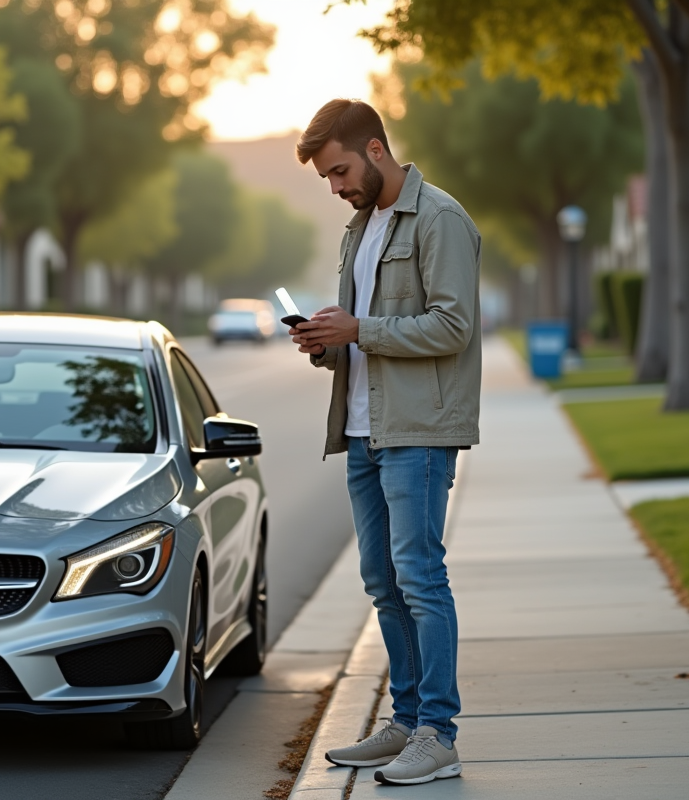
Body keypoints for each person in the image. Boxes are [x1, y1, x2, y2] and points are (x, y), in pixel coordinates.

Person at [289, 99, 481, 786]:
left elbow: (452, 326)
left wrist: (360, 330)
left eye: (339, 171)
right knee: (383, 582)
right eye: (326, 179)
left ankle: (438, 734)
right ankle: (405, 722)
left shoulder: (440, 218)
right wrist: (327, 342)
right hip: (362, 430)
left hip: (419, 432)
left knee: (421, 578)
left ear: (375, 149)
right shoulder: (360, 229)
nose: (336, 187)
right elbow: (364, 335)